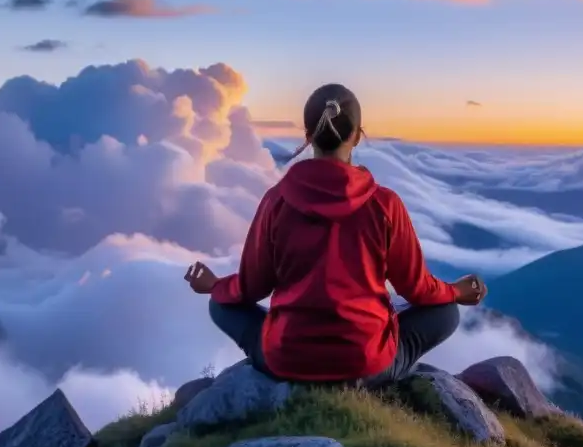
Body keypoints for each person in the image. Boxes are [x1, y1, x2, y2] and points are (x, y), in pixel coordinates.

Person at [184, 82, 487, 384]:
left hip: (289, 359)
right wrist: (454, 292)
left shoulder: (276, 201)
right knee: (446, 312)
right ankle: (377, 375)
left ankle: (285, 362)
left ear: (307, 135)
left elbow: (252, 288)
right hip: (365, 363)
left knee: (220, 305)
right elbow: (416, 289)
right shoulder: (385, 204)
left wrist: (215, 286)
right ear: (357, 136)